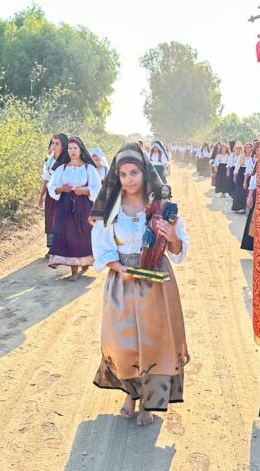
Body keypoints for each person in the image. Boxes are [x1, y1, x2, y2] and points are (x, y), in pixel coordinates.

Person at [90, 142, 191, 427]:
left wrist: (171, 234)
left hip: (157, 284)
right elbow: (102, 246)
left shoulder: (161, 207)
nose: (129, 179)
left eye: (134, 172)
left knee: (154, 341)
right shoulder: (111, 208)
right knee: (124, 343)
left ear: (145, 173)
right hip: (122, 282)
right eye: (123, 174)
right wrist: (120, 268)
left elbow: (178, 249)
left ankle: (149, 402)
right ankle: (129, 395)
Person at [47, 136, 102, 280]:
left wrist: (84, 191)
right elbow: (51, 186)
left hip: (83, 205)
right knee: (68, 234)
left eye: (75, 148)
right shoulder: (62, 168)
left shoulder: (88, 168)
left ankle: (85, 262)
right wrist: (62, 189)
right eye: (70, 148)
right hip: (65, 206)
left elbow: (97, 187)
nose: (72, 151)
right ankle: (74, 271)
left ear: (80, 150)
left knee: (84, 234)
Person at [38, 134, 68, 257]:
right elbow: (46, 179)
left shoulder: (66, 160)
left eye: (57, 143)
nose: (54, 146)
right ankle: (52, 249)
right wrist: (41, 196)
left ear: (63, 146)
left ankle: (63, 248)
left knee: (62, 220)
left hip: (63, 194)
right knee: (50, 220)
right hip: (51, 195)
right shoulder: (49, 160)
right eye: (52, 143)